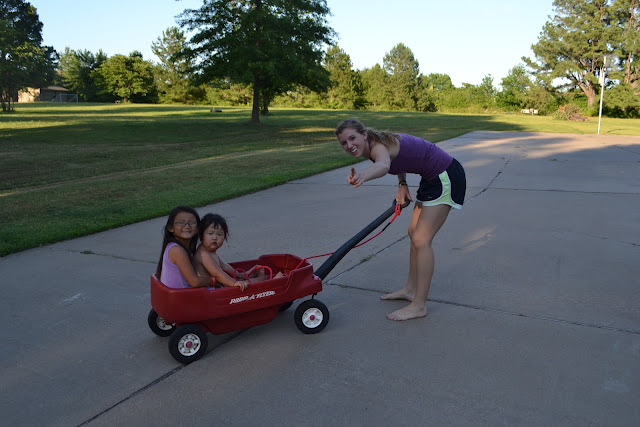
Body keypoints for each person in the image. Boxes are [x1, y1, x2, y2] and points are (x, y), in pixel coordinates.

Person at [335, 118, 466, 321]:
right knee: (413, 233)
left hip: (445, 176)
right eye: (344, 142)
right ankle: (410, 290)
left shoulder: (377, 146)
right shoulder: (378, 143)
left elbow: (384, 164)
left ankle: (419, 306)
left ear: (364, 135)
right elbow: (397, 160)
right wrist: (402, 183)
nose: (349, 145)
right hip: (431, 178)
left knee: (421, 240)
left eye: (352, 138)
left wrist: (363, 175)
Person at [194, 213, 282, 291]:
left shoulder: (210, 252)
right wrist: (234, 283)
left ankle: (261, 280)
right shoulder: (203, 254)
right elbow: (217, 274)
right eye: (210, 233)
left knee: (240, 281)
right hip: (211, 290)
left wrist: (241, 275)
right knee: (242, 286)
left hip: (218, 286)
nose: (214, 237)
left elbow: (224, 266)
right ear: (201, 235)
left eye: (219, 234)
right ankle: (264, 281)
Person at [156, 206, 216, 289]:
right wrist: (214, 280)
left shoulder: (185, 248)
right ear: (171, 228)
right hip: (182, 295)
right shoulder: (177, 250)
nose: (187, 226)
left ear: (197, 228)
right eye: (181, 222)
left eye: (192, 222)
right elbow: (194, 282)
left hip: (184, 293)